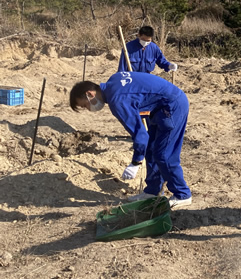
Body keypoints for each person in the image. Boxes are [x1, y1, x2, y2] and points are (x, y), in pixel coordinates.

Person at [69, 71, 192, 209]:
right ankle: (153, 191)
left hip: (172, 106)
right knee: (151, 150)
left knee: (163, 154)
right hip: (158, 109)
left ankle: (182, 194)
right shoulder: (113, 81)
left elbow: (140, 135)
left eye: (85, 105)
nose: (89, 108)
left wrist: (135, 162)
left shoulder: (117, 100)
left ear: (90, 94)